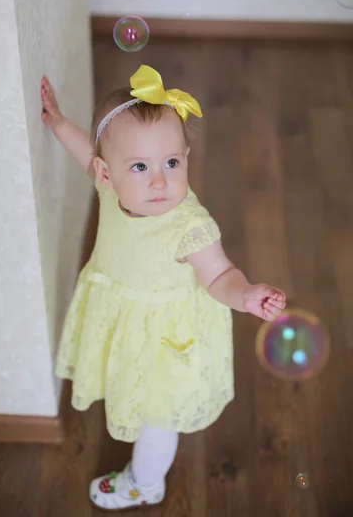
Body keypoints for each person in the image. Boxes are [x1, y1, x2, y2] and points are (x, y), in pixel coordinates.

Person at [40, 65, 286, 511]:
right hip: (125, 315)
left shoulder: (190, 225)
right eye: (140, 166)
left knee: (157, 416)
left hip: (168, 336)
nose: (159, 181)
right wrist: (57, 122)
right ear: (107, 172)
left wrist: (245, 293)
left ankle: (145, 482)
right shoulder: (110, 188)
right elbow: (84, 152)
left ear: (187, 156)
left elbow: (217, 275)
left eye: (172, 162)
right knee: (127, 385)